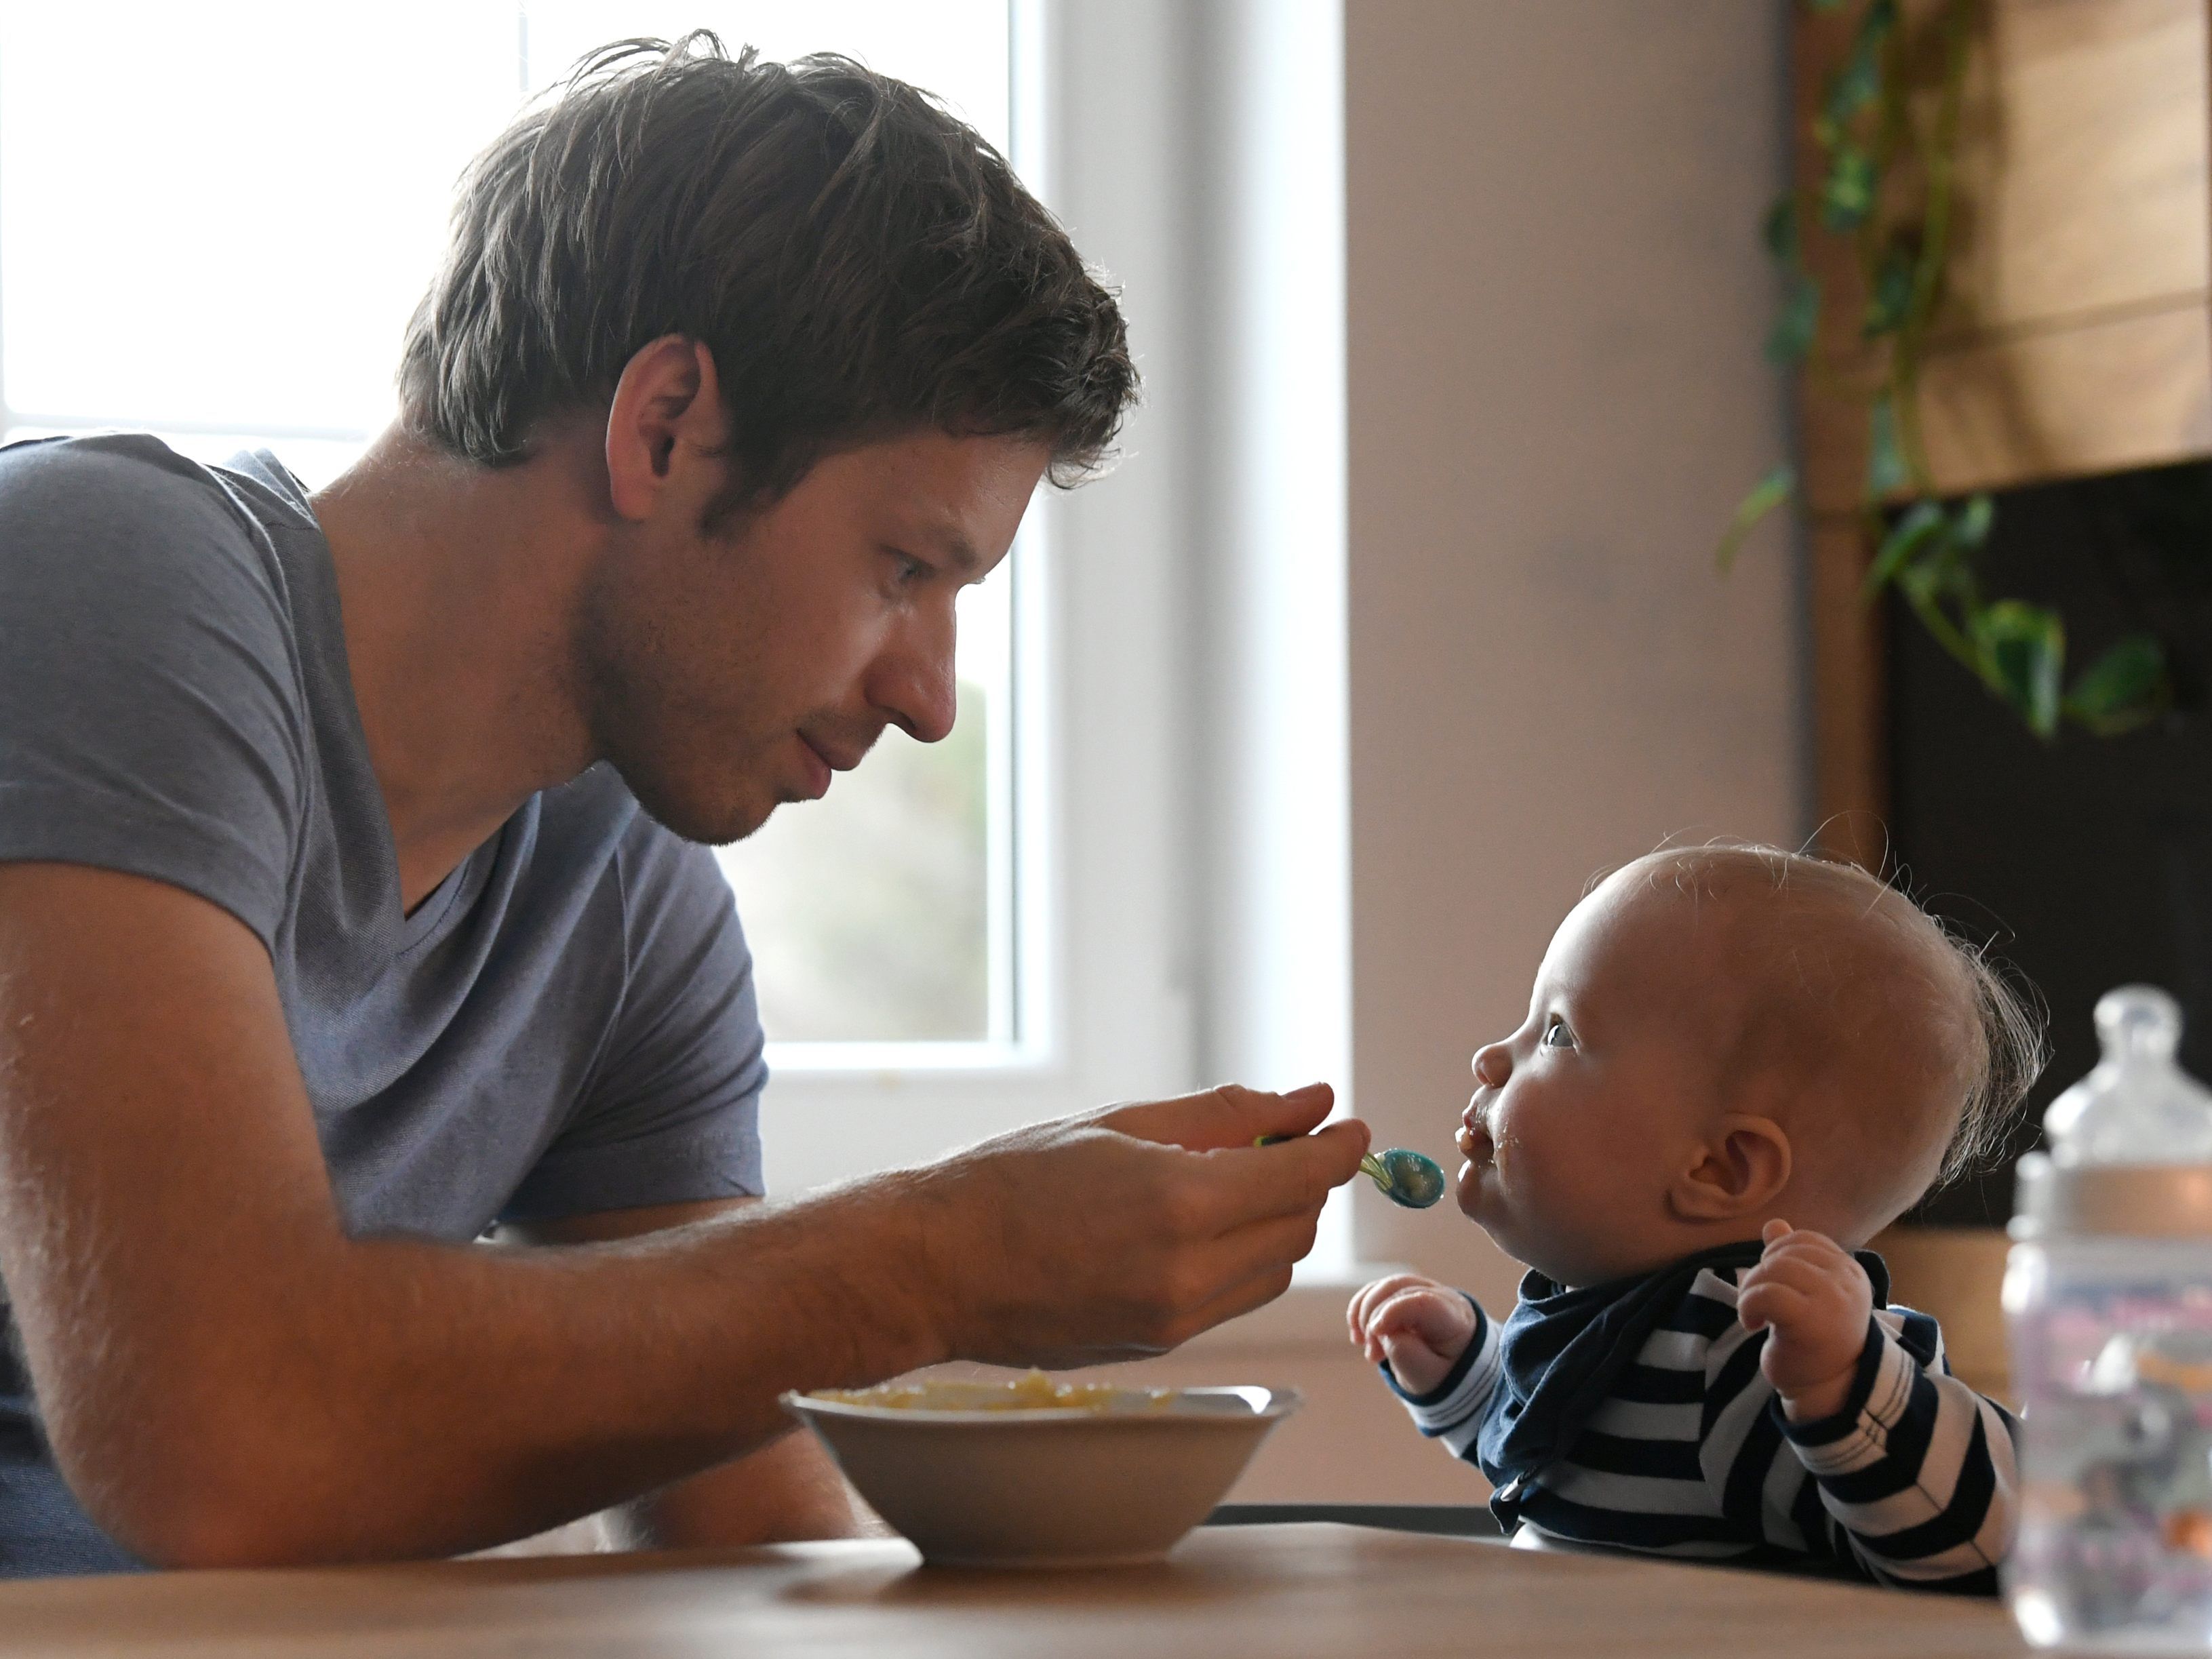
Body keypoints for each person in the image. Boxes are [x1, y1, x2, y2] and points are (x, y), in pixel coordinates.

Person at [0, 36, 1369, 1576]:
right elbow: (216, 1428)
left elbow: (753, 1529)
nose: (930, 695)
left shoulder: (621, 887)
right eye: (905, 568)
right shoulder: (102, 578)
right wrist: (952, 1252)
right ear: (663, 426)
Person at [1346, 844, 2043, 1593]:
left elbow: (1998, 1533)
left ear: (1718, 1167)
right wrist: (1473, 1375)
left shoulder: (1751, 1348)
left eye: (1557, 1033)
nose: (1491, 1057)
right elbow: (1558, 1450)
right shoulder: (1622, 1323)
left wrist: (1849, 1392)